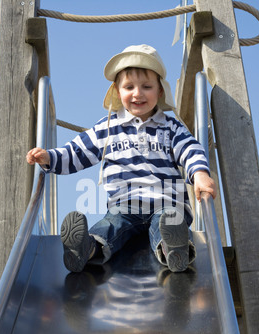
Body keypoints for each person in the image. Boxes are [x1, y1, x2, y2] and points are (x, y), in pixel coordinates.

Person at [27, 45, 217, 274]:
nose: (138, 93)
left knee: (167, 222)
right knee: (109, 227)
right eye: (129, 87)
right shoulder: (108, 127)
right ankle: (85, 249)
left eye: (147, 87)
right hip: (124, 206)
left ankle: (174, 249)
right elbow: (77, 151)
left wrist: (200, 174)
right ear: (117, 91)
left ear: (159, 92)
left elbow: (190, 149)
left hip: (166, 204)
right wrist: (49, 157)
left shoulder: (169, 126)